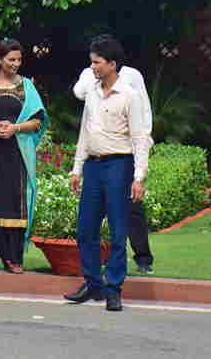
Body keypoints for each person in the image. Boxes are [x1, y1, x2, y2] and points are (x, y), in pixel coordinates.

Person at [65, 35, 152, 313]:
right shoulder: (91, 92)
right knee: (85, 229)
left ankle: (114, 288)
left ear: (112, 64)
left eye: (97, 62)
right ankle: (93, 283)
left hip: (119, 165)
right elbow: (84, 132)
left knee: (117, 230)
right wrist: (77, 168)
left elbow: (140, 137)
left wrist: (139, 177)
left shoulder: (130, 96)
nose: (93, 68)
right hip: (92, 164)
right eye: (91, 62)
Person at [0, 39, 48, 274]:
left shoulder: (27, 87)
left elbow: (38, 121)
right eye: (11, 59)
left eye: (19, 60)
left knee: (15, 202)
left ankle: (13, 258)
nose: (15, 64)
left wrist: (15, 128)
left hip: (17, 153)